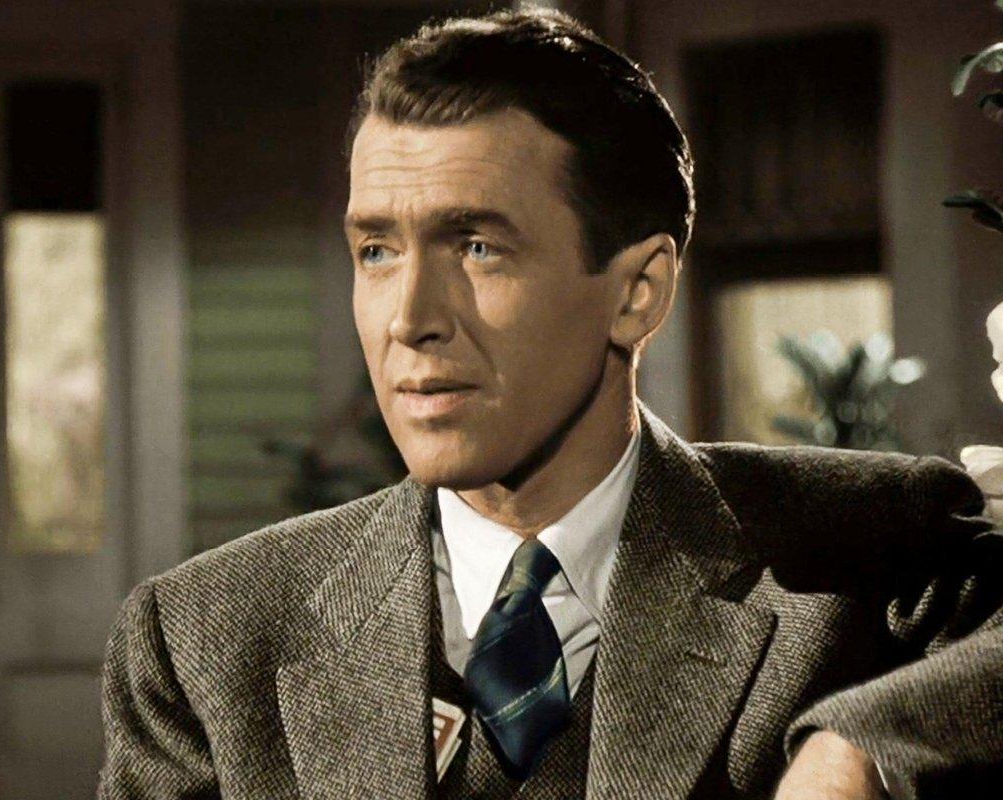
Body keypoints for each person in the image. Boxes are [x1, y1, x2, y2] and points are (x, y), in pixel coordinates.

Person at [98, 9, 1003, 799]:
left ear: (637, 293)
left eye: (478, 247)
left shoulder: (873, 551)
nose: (409, 319)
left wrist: (866, 747)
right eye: (377, 251)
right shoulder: (207, 641)